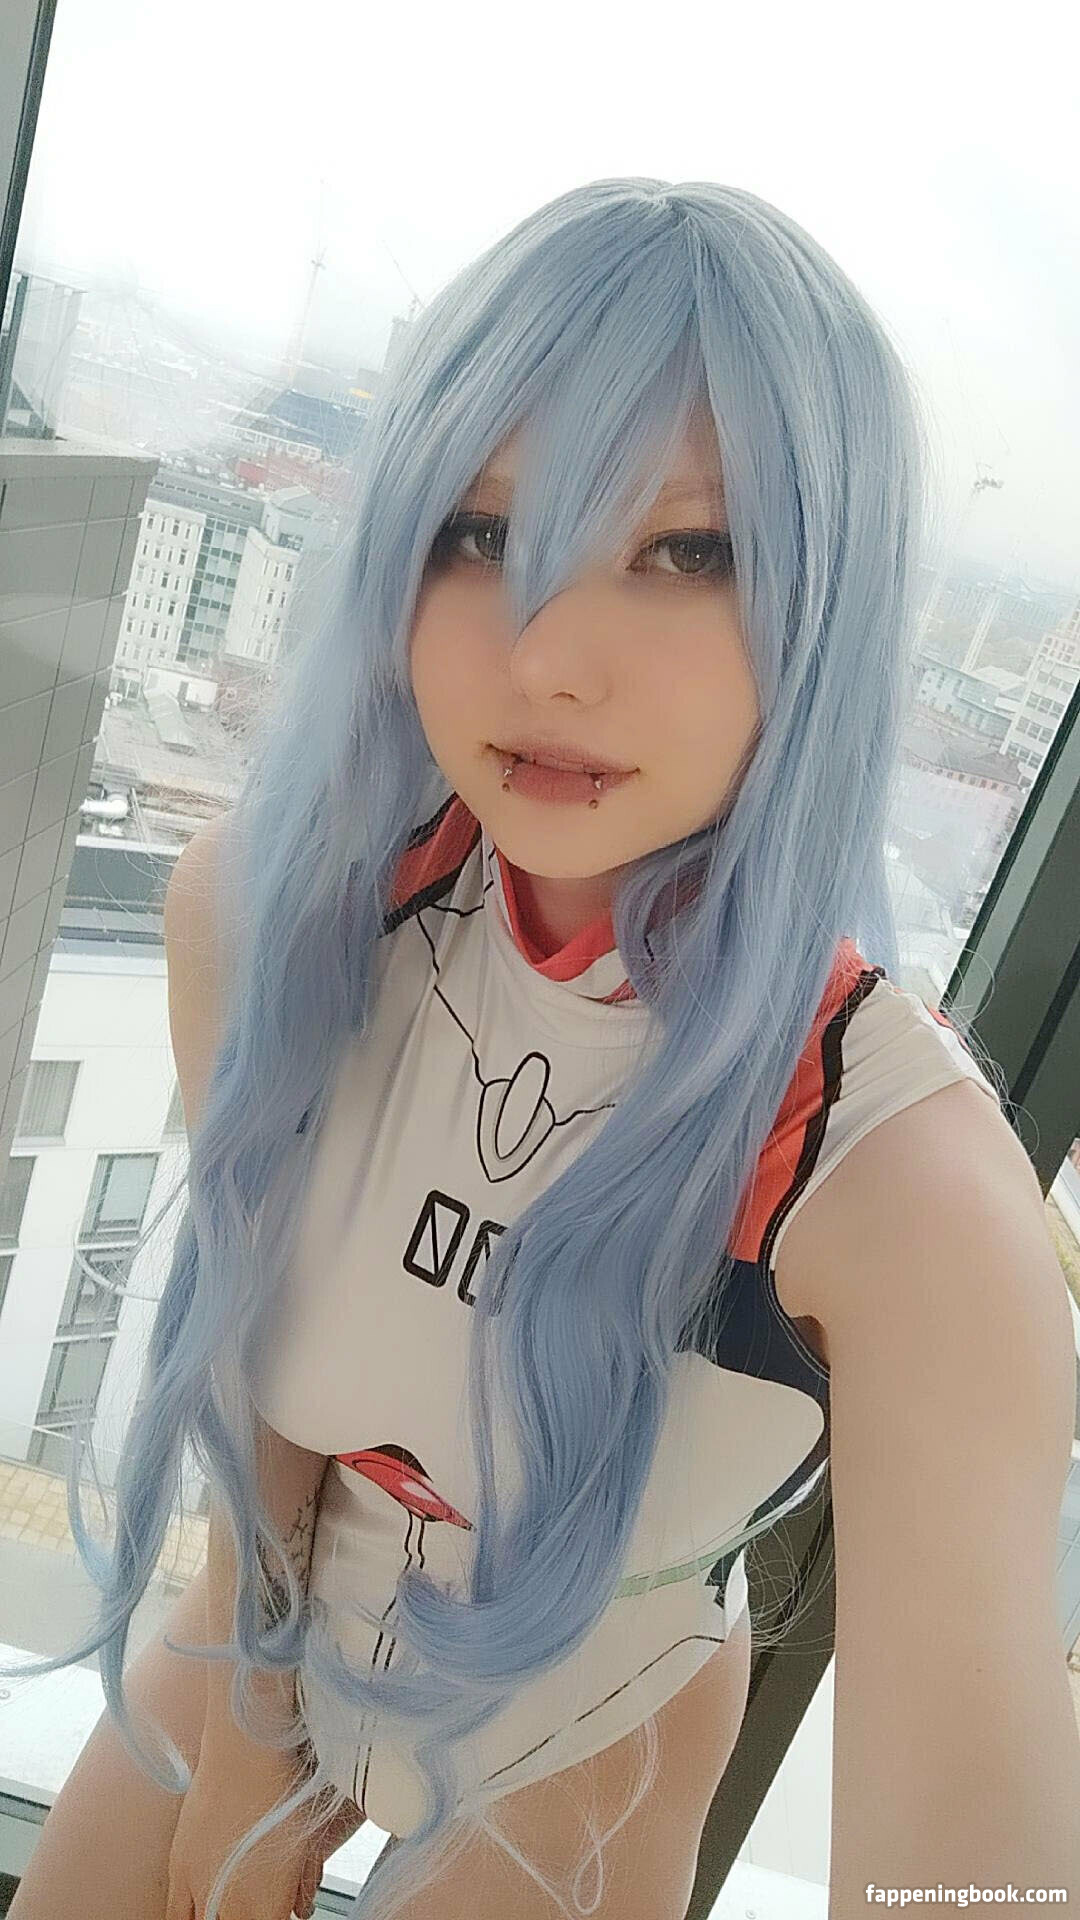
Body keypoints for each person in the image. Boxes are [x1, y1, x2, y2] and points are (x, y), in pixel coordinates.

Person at [6, 177, 1079, 1920]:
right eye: (484, 532)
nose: (551, 659)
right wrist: (252, 1743)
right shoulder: (276, 920)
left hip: (586, 1738)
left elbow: (977, 1861)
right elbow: (263, 1363)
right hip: (263, 1624)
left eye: (689, 552)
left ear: (832, 605)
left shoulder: (899, 1187)